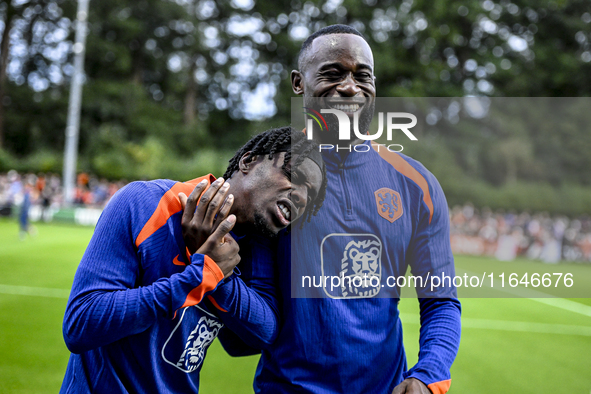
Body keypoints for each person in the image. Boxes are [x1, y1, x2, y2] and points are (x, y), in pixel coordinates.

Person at [222, 25, 462, 394]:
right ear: (299, 83)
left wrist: (428, 375)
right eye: (332, 73)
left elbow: (441, 300)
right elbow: (241, 341)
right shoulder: (270, 182)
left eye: (362, 75)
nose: (350, 87)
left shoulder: (418, 185)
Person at [60, 127, 326, 393]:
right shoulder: (145, 202)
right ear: (248, 161)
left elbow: (255, 338)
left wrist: (223, 280)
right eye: (293, 175)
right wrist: (200, 276)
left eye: (310, 196)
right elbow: (81, 323)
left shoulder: (259, 247)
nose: (301, 196)